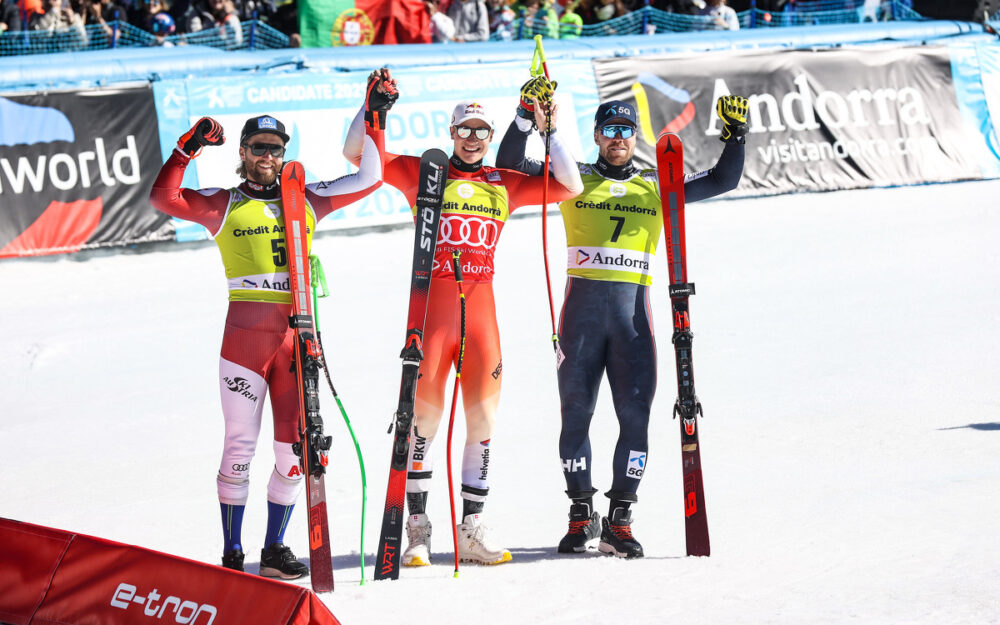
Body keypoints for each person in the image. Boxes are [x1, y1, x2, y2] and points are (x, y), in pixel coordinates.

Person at [148, 73, 394, 579]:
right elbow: (163, 199)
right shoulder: (223, 203)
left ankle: (274, 548)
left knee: (294, 450)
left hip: (295, 340)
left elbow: (370, 178)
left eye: (276, 147)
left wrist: (375, 115)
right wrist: (186, 148)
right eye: (259, 146)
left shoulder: (304, 197)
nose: (268, 155)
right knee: (239, 445)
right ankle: (232, 552)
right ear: (243, 150)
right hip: (243, 340)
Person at [497, 80, 748, 558]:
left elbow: (723, 180)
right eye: (609, 129)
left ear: (636, 137)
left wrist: (736, 136)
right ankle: (579, 514)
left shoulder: (657, 184)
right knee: (576, 416)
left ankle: (620, 519)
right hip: (581, 321)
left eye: (626, 130)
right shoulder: (572, 179)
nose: (618, 137)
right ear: (596, 135)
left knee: (635, 417)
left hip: (633, 322)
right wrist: (527, 113)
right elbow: (511, 164)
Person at [343, 68, 583, 566]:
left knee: (482, 422)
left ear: (490, 138)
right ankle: (417, 530)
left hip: (482, 320)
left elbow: (571, 185)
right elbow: (357, 157)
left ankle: (471, 531)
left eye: (481, 132)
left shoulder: (505, 183)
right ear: (451, 133)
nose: (472, 139)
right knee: (423, 424)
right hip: (433, 319)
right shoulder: (426, 171)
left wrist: (548, 125)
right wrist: (371, 109)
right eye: (464, 130)